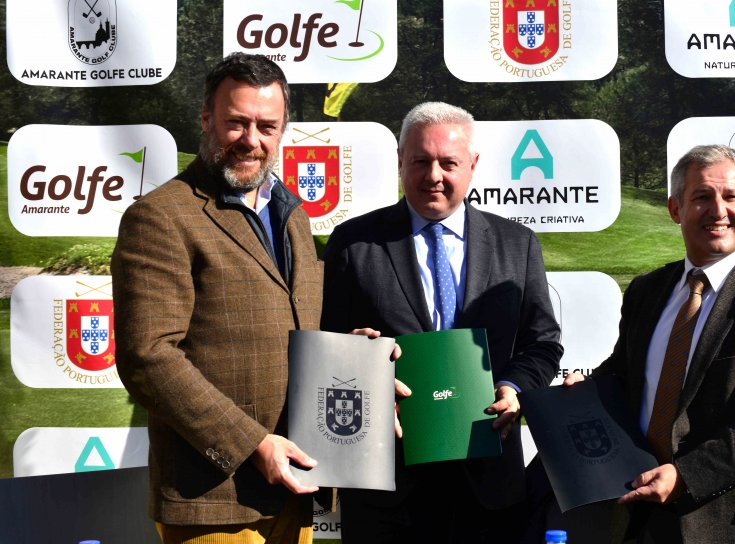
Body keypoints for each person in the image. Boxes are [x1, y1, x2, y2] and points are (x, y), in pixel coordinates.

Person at [320, 102, 563, 542]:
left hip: (488, 486)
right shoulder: (353, 243)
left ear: (472, 166)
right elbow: (326, 348)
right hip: (385, 486)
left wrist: (514, 389)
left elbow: (541, 342)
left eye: (448, 162)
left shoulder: (517, 244)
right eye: (420, 161)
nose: (434, 175)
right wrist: (358, 363)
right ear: (400, 162)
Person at [112, 52, 326, 543]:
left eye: (267, 126)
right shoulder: (161, 216)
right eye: (237, 123)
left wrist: (353, 355)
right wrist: (252, 444)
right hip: (213, 500)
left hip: (296, 483)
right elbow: (149, 357)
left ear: (283, 130)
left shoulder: (292, 214)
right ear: (207, 119)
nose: (252, 140)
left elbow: (297, 326)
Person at [564, 144, 735, 543]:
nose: (718, 210)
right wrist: (584, 394)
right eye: (701, 197)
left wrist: (686, 476)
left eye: (731, 196)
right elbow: (624, 376)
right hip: (642, 518)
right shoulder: (646, 291)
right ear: (674, 210)